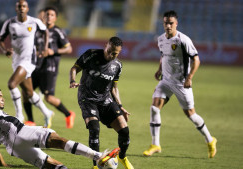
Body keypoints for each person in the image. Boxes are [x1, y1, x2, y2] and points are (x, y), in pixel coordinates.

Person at [0, 86, 120, 168]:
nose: (2, 99)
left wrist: (3, 165)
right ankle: (98, 157)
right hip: (21, 132)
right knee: (59, 141)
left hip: (15, 149)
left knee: (55, 165)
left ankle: (98, 159)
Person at [142, 10, 217, 158]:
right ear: (163, 24)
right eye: (166, 23)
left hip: (181, 83)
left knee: (190, 114)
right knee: (154, 108)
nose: (168, 26)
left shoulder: (183, 40)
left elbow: (197, 60)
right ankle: (155, 144)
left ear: (176, 24)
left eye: (171, 23)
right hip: (166, 80)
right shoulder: (161, 39)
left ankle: (210, 140)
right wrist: (159, 69)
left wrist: (189, 78)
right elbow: (164, 55)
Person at [69, 37, 134, 169]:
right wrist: (72, 80)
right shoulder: (91, 55)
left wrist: (120, 106)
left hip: (105, 100)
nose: (111, 55)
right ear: (106, 46)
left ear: (119, 52)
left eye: (115, 53)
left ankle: (122, 158)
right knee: (94, 128)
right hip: (87, 98)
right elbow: (75, 68)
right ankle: (95, 166)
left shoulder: (118, 66)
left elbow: (114, 88)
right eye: (109, 51)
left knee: (124, 130)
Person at [0, 0, 53, 127]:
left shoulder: (34, 22)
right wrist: (5, 50)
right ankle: (47, 113)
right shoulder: (10, 23)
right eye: (19, 6)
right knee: (29, 93)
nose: (21, 8)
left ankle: (19, 116)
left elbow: (45, 31)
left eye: (24, 6)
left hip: (29, 59)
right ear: (16, 9)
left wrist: (44, 48)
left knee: (12, 84)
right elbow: (0, 39)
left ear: (27, 8)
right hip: (16, 60)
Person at [23, 7, 75, 128]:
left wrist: (53, 51)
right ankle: (30, 120)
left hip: (49, 69)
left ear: (55, 18)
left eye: (52, 15)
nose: (49, 17)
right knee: (26, 92)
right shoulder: (37, 30)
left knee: (49, 98)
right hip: (35, 67)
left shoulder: (57, 31)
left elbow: (69, 49)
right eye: (47, 14)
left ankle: (68, 114)